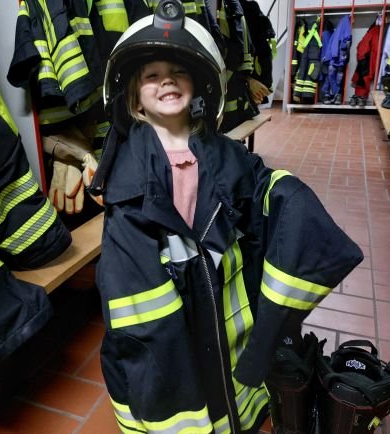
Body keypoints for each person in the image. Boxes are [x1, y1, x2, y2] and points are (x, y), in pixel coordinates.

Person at [93, 1, 364, 432]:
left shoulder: (232, 160)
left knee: (232, 404)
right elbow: (139, 317)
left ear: (201, 92)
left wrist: (288, 194)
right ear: (135, 103)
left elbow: (269, 197)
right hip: (170, 355)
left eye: (178, 71)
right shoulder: (128, 185)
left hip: (231, 336)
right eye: (151, 74)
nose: (166, 78)